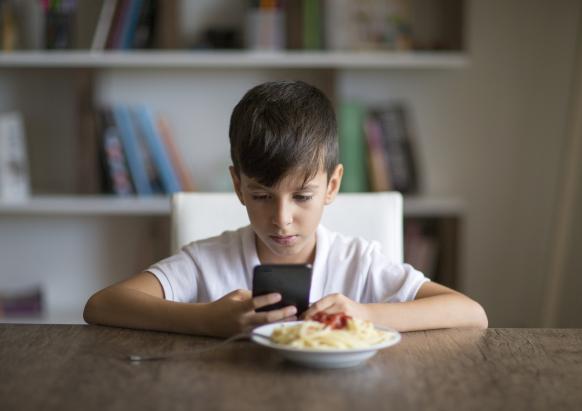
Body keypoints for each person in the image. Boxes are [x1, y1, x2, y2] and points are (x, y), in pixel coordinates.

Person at [83, 80, 488, 337]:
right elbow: (101, 305)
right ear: (238, 186)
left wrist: (364, 312)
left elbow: (471, 314)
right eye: (261, 196)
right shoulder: (208, 261)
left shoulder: (358, 262)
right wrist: (206, 320)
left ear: (332, 186)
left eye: (301, 196)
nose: (281, 218)